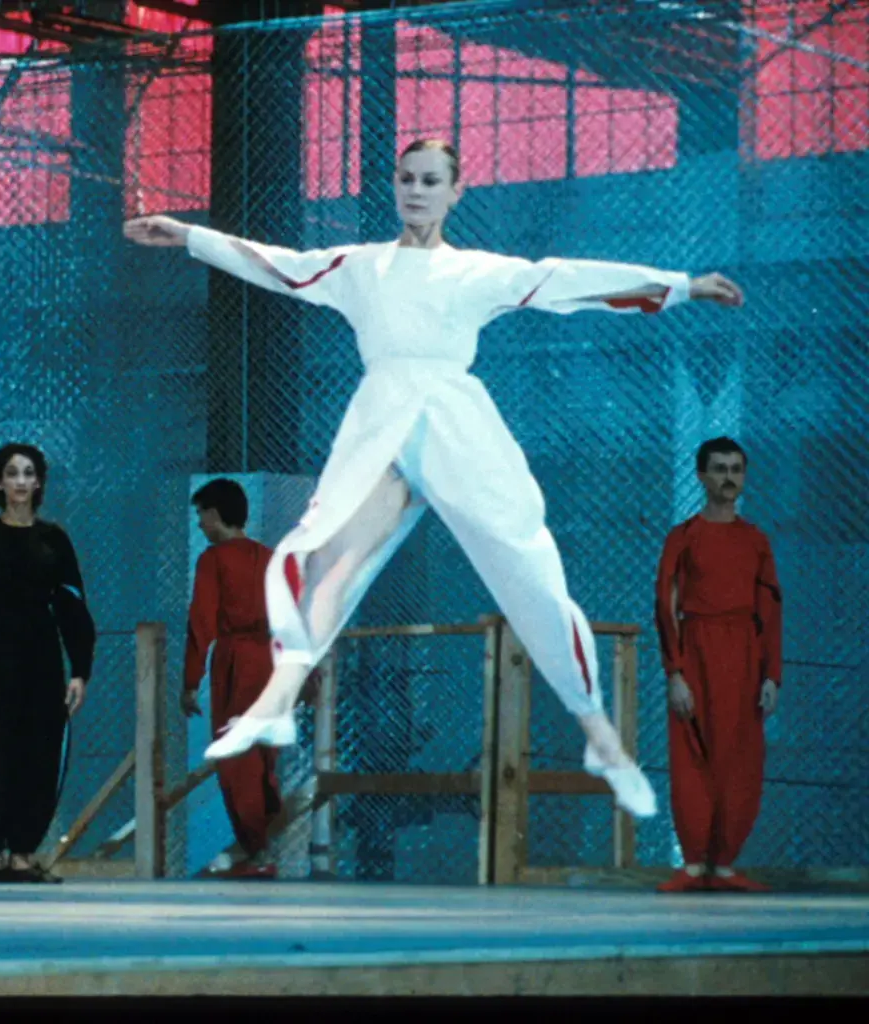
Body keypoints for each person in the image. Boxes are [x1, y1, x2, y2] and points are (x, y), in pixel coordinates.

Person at [124, 138, 746, 819]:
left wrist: (681, 286)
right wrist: (187, 235)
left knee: (526, 567)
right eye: (407, 179)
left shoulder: (475, 272)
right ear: (394, 186)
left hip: (452, 423)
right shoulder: (360, 267)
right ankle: (275, 704)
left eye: (431, 181)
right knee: (332, 556)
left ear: (456, 192)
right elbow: (280, 266)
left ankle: (598, 733)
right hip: (384, 419)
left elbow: (565, 280)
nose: (417, 191)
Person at [0, 443, 95, 884]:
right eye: (12, 473)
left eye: (29, 473)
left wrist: (80, 670)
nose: (21, 482)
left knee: (40, 751)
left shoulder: (55, 540)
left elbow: (73, 606)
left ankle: (25, 854)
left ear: (40, 482)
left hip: (41, 656)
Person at [655, 438, 781, 892]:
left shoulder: (755, 541)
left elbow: (769, 607)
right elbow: (666, 604)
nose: (729, 477)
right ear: (702, 476)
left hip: (743, 657)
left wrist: (771, 674)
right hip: (697, 651)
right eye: (720, 469)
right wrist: (675, 672)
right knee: (691, 756)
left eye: (736, 469)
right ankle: (692, 865)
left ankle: (724, 865)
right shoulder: (683, 538)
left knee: (741, 759)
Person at [183, 479, 281, 879]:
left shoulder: (213, 560)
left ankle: (257, 853)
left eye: (200, 515)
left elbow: (201, 622)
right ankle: (258, 847)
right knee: (263, 758)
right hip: (272, 661)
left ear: (214, 513)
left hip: (236, 664)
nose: (199, 525)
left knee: (235, 757)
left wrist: (190, 681)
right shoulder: (270, 557)